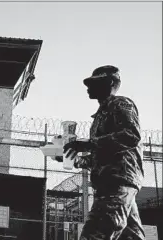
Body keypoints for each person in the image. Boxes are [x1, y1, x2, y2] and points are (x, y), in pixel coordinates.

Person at [63, 65, 145, 240]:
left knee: (95, 235)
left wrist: (89, 143)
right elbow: (97, 158)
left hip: (117, 183)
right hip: (114, 184)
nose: (88, 88)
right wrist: (74, 160)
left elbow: (131, 136)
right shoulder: (101, 115)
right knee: (132, 237)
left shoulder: (120, 104)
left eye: (93, 83)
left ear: (109, 83)